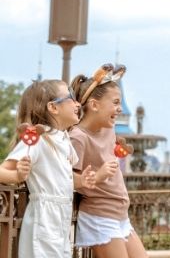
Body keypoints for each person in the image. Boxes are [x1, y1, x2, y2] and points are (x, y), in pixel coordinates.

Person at [0, 79, 95, 257]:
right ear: (53, 107)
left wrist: (81, 181)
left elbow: (61, 178)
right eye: (71, 97)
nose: (77, 104)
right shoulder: (38, 139)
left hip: (61, 220)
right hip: (44, 219)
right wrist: (17, 176)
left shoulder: (64, 139)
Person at [69, 64, 148, 258]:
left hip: (120, 215)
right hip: (99, 215)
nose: (120, 109)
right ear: (94, 105)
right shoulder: (78, 137)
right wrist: (98, 175)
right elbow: (67, 178)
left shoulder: (108, 129)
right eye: (115, 102)